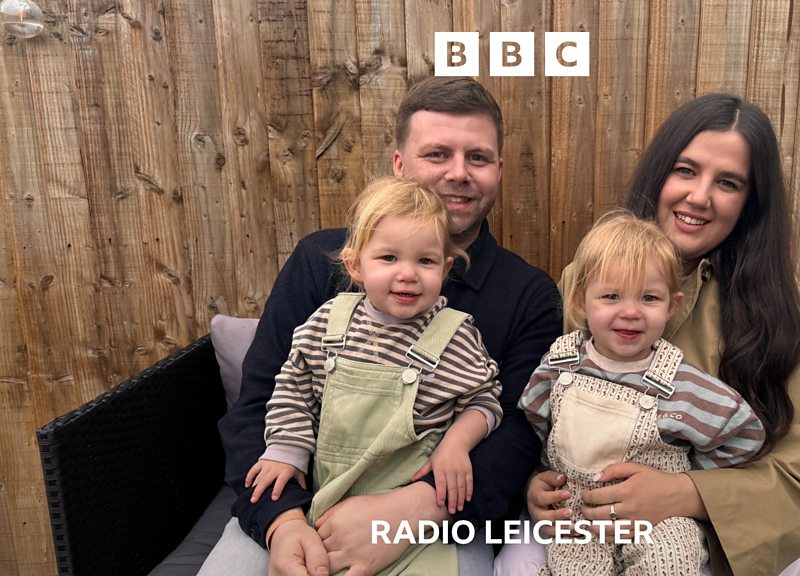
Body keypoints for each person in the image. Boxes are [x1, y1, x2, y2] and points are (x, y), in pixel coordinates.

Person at [205, 77, 563, 576]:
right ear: (399, 163)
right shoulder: (320, 261)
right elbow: (261, 399)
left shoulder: (528, 294)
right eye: (437, 154)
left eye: (478, 158)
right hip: (299, 506)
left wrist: (409, 513)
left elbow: (519, 433)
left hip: (440, 520)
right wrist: (281, 521)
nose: (459, 173)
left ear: (498, 171)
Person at [502, 93, 800, 576]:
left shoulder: (785, 307)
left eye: (728, 182)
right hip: (591, 518)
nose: (699, 196)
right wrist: (538, 484)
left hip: (741, 531)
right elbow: (553, 411)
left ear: (750, 203)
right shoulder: (583, 283)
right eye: (686, 170)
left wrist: (687, 494)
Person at [247, 176, 502, 540]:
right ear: (355, 265)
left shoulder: (454, 337)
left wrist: (457, 443)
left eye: (425, 261)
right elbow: (294, 388)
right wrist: (286, 449)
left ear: (445, 270)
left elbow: (484, 401)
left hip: (407, 519)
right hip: (322, 503)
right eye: (389, 258)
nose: (408, 274)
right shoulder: (328, 323)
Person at [518, 211, 766, 575]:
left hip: (660, 520)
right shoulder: (559, 366)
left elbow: (743, 434)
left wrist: (687, 484)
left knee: (670, 563)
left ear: (672, 305)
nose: (631, 312)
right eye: (611, 296)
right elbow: (536, 423)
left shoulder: (682, 383)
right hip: (579, 513)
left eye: (649, 298)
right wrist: (540, 476)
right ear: (581, 303)